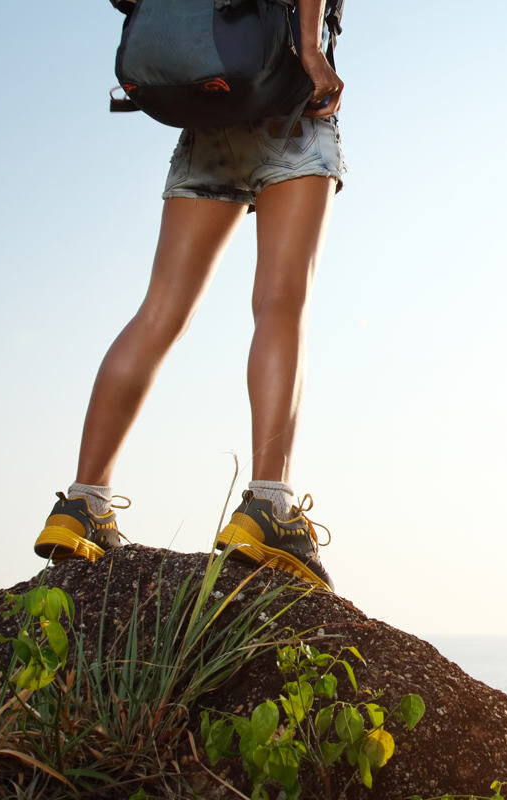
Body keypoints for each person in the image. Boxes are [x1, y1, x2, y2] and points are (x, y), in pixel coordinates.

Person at [32, 0, 347, 591]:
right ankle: (269, 507)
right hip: (288, 111)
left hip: (209, 110)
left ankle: (82, 504)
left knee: (160, 311)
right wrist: (310, 52)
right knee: (280, 305)